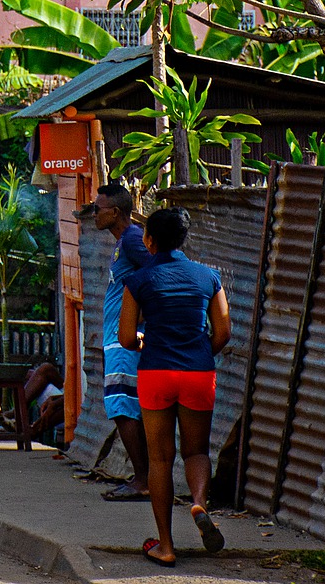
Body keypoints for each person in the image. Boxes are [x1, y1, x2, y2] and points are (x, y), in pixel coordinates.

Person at [120, 206, 231, 567]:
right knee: (196, 452)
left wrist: (143, 342)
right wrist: (199, 354)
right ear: (184, 238)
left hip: (156, 373)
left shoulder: (139, 280)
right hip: (199, 372)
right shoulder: (208, 277)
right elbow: (223, 332)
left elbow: (124, 338)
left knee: (160, 458)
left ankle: (165, 545)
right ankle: (198, 501)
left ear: (148, 240)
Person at [75, 182, 153, 501]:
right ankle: (143, 477)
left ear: (116, 212)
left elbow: (156, 274)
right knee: (125, 407)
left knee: (122, 407)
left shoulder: (133, 239)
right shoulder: (123, 242)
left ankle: (143, 480)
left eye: (99, 208)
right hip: (119, 340)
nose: (94, 213)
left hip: (126, 342)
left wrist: (139, 322)